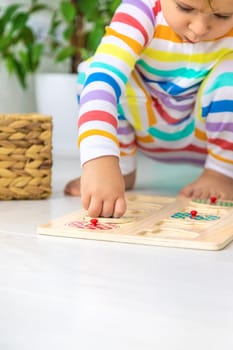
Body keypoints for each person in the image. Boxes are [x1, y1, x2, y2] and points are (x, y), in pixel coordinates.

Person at [65, 0, 233, 218]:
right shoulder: (142, 11)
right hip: (147, 125)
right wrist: (99, 157)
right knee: (94, 72)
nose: (199, 28)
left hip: (207, 136)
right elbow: (103, 78)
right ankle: (122, 167)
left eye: (223, 16)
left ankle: (221, 172)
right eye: (185, 7)